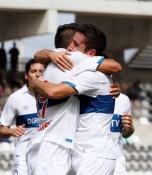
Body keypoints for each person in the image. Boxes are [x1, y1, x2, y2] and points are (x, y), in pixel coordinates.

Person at [27, 23, 121, 175]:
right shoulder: (71, 61)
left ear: (91, 53)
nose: (71, 47)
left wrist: (35, 83)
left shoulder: (60, 61)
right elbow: (115, 67)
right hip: (63, 148)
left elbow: (114, 68)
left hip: (92, 155)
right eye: (71, 41)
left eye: (75, 44)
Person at [0, 59, 44, 174]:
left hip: (44, 156)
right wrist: (12, 131)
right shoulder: (16, 98)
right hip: (23, 155)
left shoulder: (52, 96)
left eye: (41, 71)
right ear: (26, 75)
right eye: (34, 71)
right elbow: (2, 129)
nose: (38, 74)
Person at [111, 93, 134, 174]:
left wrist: (129, 128)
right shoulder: (85, 96)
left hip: (117, 162)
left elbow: (126, 133)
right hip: (91, 160)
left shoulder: (124, 99)